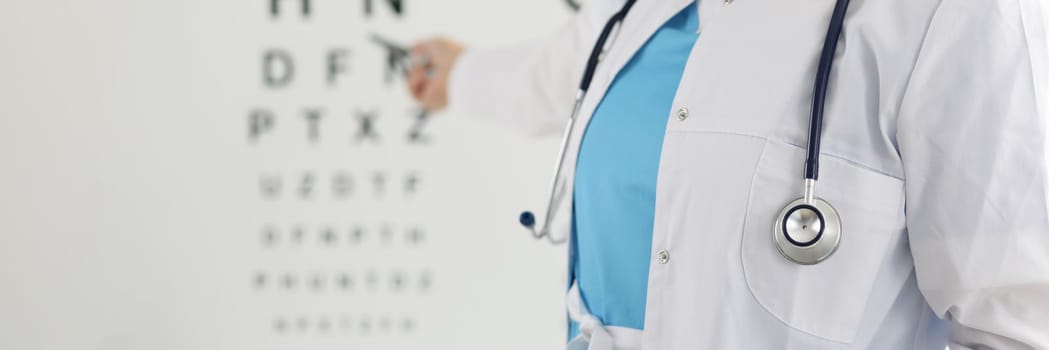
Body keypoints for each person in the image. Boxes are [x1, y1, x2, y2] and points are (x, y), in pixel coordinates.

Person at [408, 0, 1049, 349]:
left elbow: (1022, 318)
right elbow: (549, 77)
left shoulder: (953, 13)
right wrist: (452, 74)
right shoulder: (633, 12)